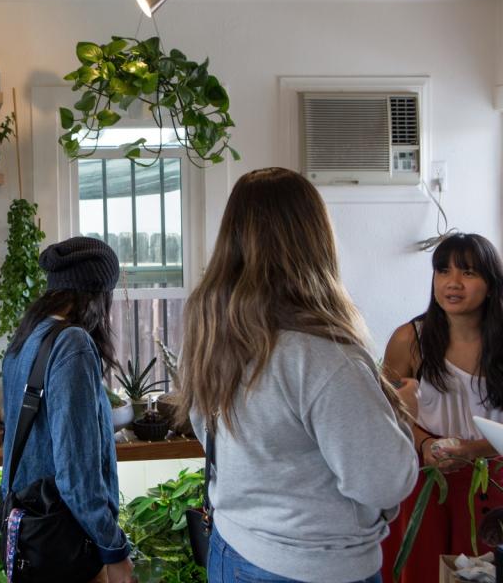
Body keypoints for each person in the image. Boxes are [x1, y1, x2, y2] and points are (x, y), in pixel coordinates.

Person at [179, 167, 417, 583]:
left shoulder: (213, 335)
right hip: (314, 565)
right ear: (315, 239)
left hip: (231, 548)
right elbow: (383, 483)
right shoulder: (323, 357)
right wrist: (404, 419)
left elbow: (213, 433)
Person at [0, 236, 134, 583]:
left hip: (32, 535)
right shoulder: (72, 344)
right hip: (68, 540)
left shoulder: (28, 337)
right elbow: (77, 476)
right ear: (96, 295)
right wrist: (113, 549)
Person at [381, 233, 503, 583]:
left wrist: (475, 449)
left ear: (492, 284)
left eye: (468, 273)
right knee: (422, 569)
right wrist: (423, 443)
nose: (452, 283)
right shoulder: (409, 339)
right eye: (442, 271)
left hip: (495, 481)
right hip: (428, 481)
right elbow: (389, 415)